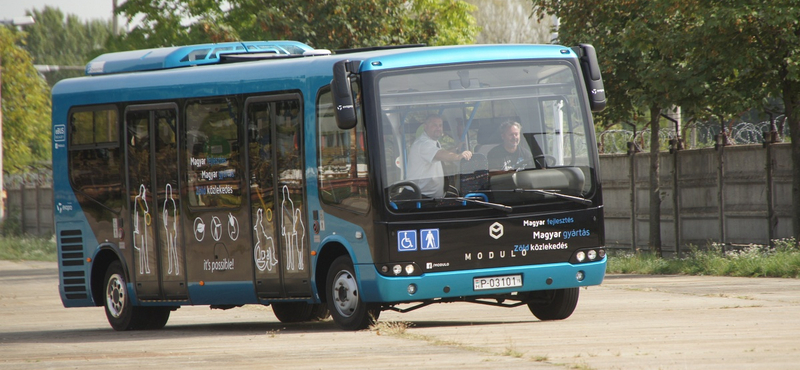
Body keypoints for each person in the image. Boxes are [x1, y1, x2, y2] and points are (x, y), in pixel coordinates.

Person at [407, 115, 472, 198]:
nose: (438, 128)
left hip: (430, 196)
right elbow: (440, 154)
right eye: (434, 125)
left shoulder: (433, 142)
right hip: (420, 197)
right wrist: (459, 156)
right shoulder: (423, 143)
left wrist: (456, 148)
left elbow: (440, 154)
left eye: (440, 125)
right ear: (425, 127)